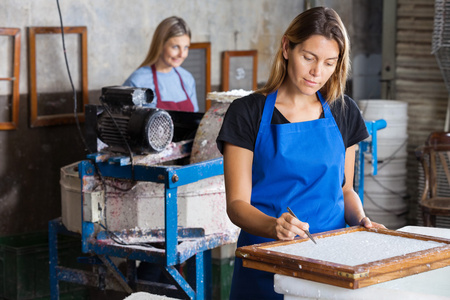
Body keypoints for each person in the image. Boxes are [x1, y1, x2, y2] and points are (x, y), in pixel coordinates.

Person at [216, 7, 385, 300]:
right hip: (265, 260)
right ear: (286, 47)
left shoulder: (344, 112)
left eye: (330, 63)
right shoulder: (247, 113)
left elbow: (345, 190)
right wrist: (274, 225)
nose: (317, 72)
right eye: (308, 58)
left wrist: (361, 220)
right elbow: (237, 204)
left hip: (329, 260)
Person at [123, 16, 199, 112]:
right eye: (175, 47)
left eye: (186, 47)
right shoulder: (137, 81)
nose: (182, 54)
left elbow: (196, 120)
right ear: (160, 45)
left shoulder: (187, 78)